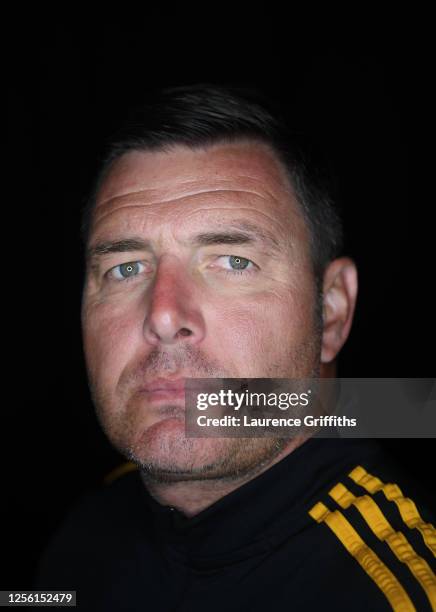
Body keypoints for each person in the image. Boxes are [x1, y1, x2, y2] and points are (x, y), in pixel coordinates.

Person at [34, 83, 435, 611]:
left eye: (232, 262)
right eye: (125, 268)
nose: (163, 315)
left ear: (332, 310)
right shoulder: (86, 530)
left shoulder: (397, 591)